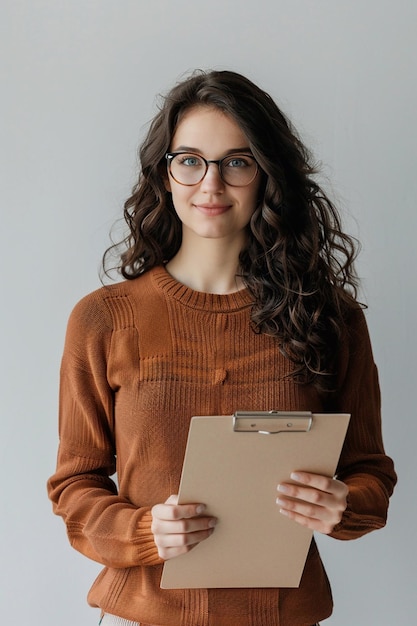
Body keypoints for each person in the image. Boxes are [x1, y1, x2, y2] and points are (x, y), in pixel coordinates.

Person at [47, 69, 396, 626]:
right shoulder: (104, 318)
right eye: (189, 160)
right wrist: (142, 531)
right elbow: (75, 484)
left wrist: (344, 505)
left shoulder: (330, 317)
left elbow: (370, 471)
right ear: (164, 175)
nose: (211, 186)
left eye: (237, 162)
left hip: (286, 615)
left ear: (265, 175)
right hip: (145, 615)